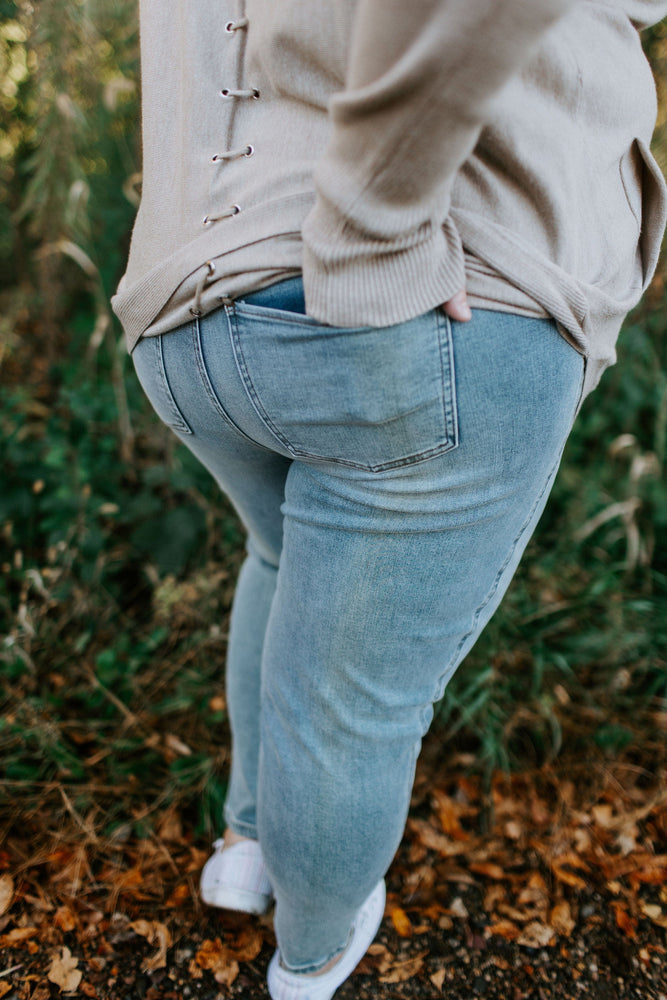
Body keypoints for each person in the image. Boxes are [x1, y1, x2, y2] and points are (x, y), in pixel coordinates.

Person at [112, 1, 667, 997]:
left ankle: (249, 844)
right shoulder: (385, 255)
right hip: (425, 296)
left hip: (188, 307)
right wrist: (375, 232)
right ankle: (312, 955)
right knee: (354, 699)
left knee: (279, 560)